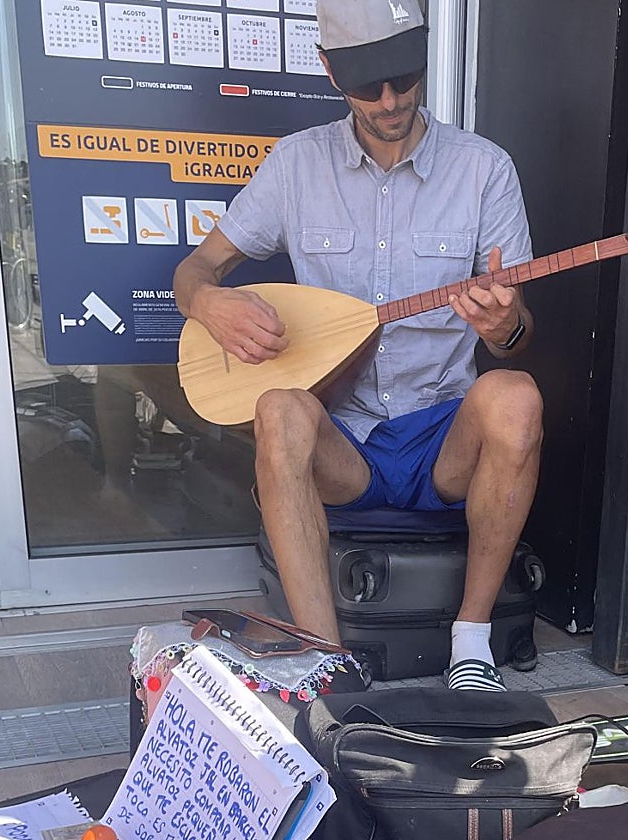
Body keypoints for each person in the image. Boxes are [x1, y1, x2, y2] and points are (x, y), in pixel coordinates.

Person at [173, 0, 540, 692]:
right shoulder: (296, 166)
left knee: (516, 397)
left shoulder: (484, 170)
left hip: (441, 439)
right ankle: (324, 660)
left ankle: (471, 640)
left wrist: (502, 327)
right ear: (330, 73)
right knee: (279, 409)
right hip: (344, 439)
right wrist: (209, 301)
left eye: (405, 79)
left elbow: (518, 336)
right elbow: (193, 271)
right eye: (368, 87)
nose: (391, 101)